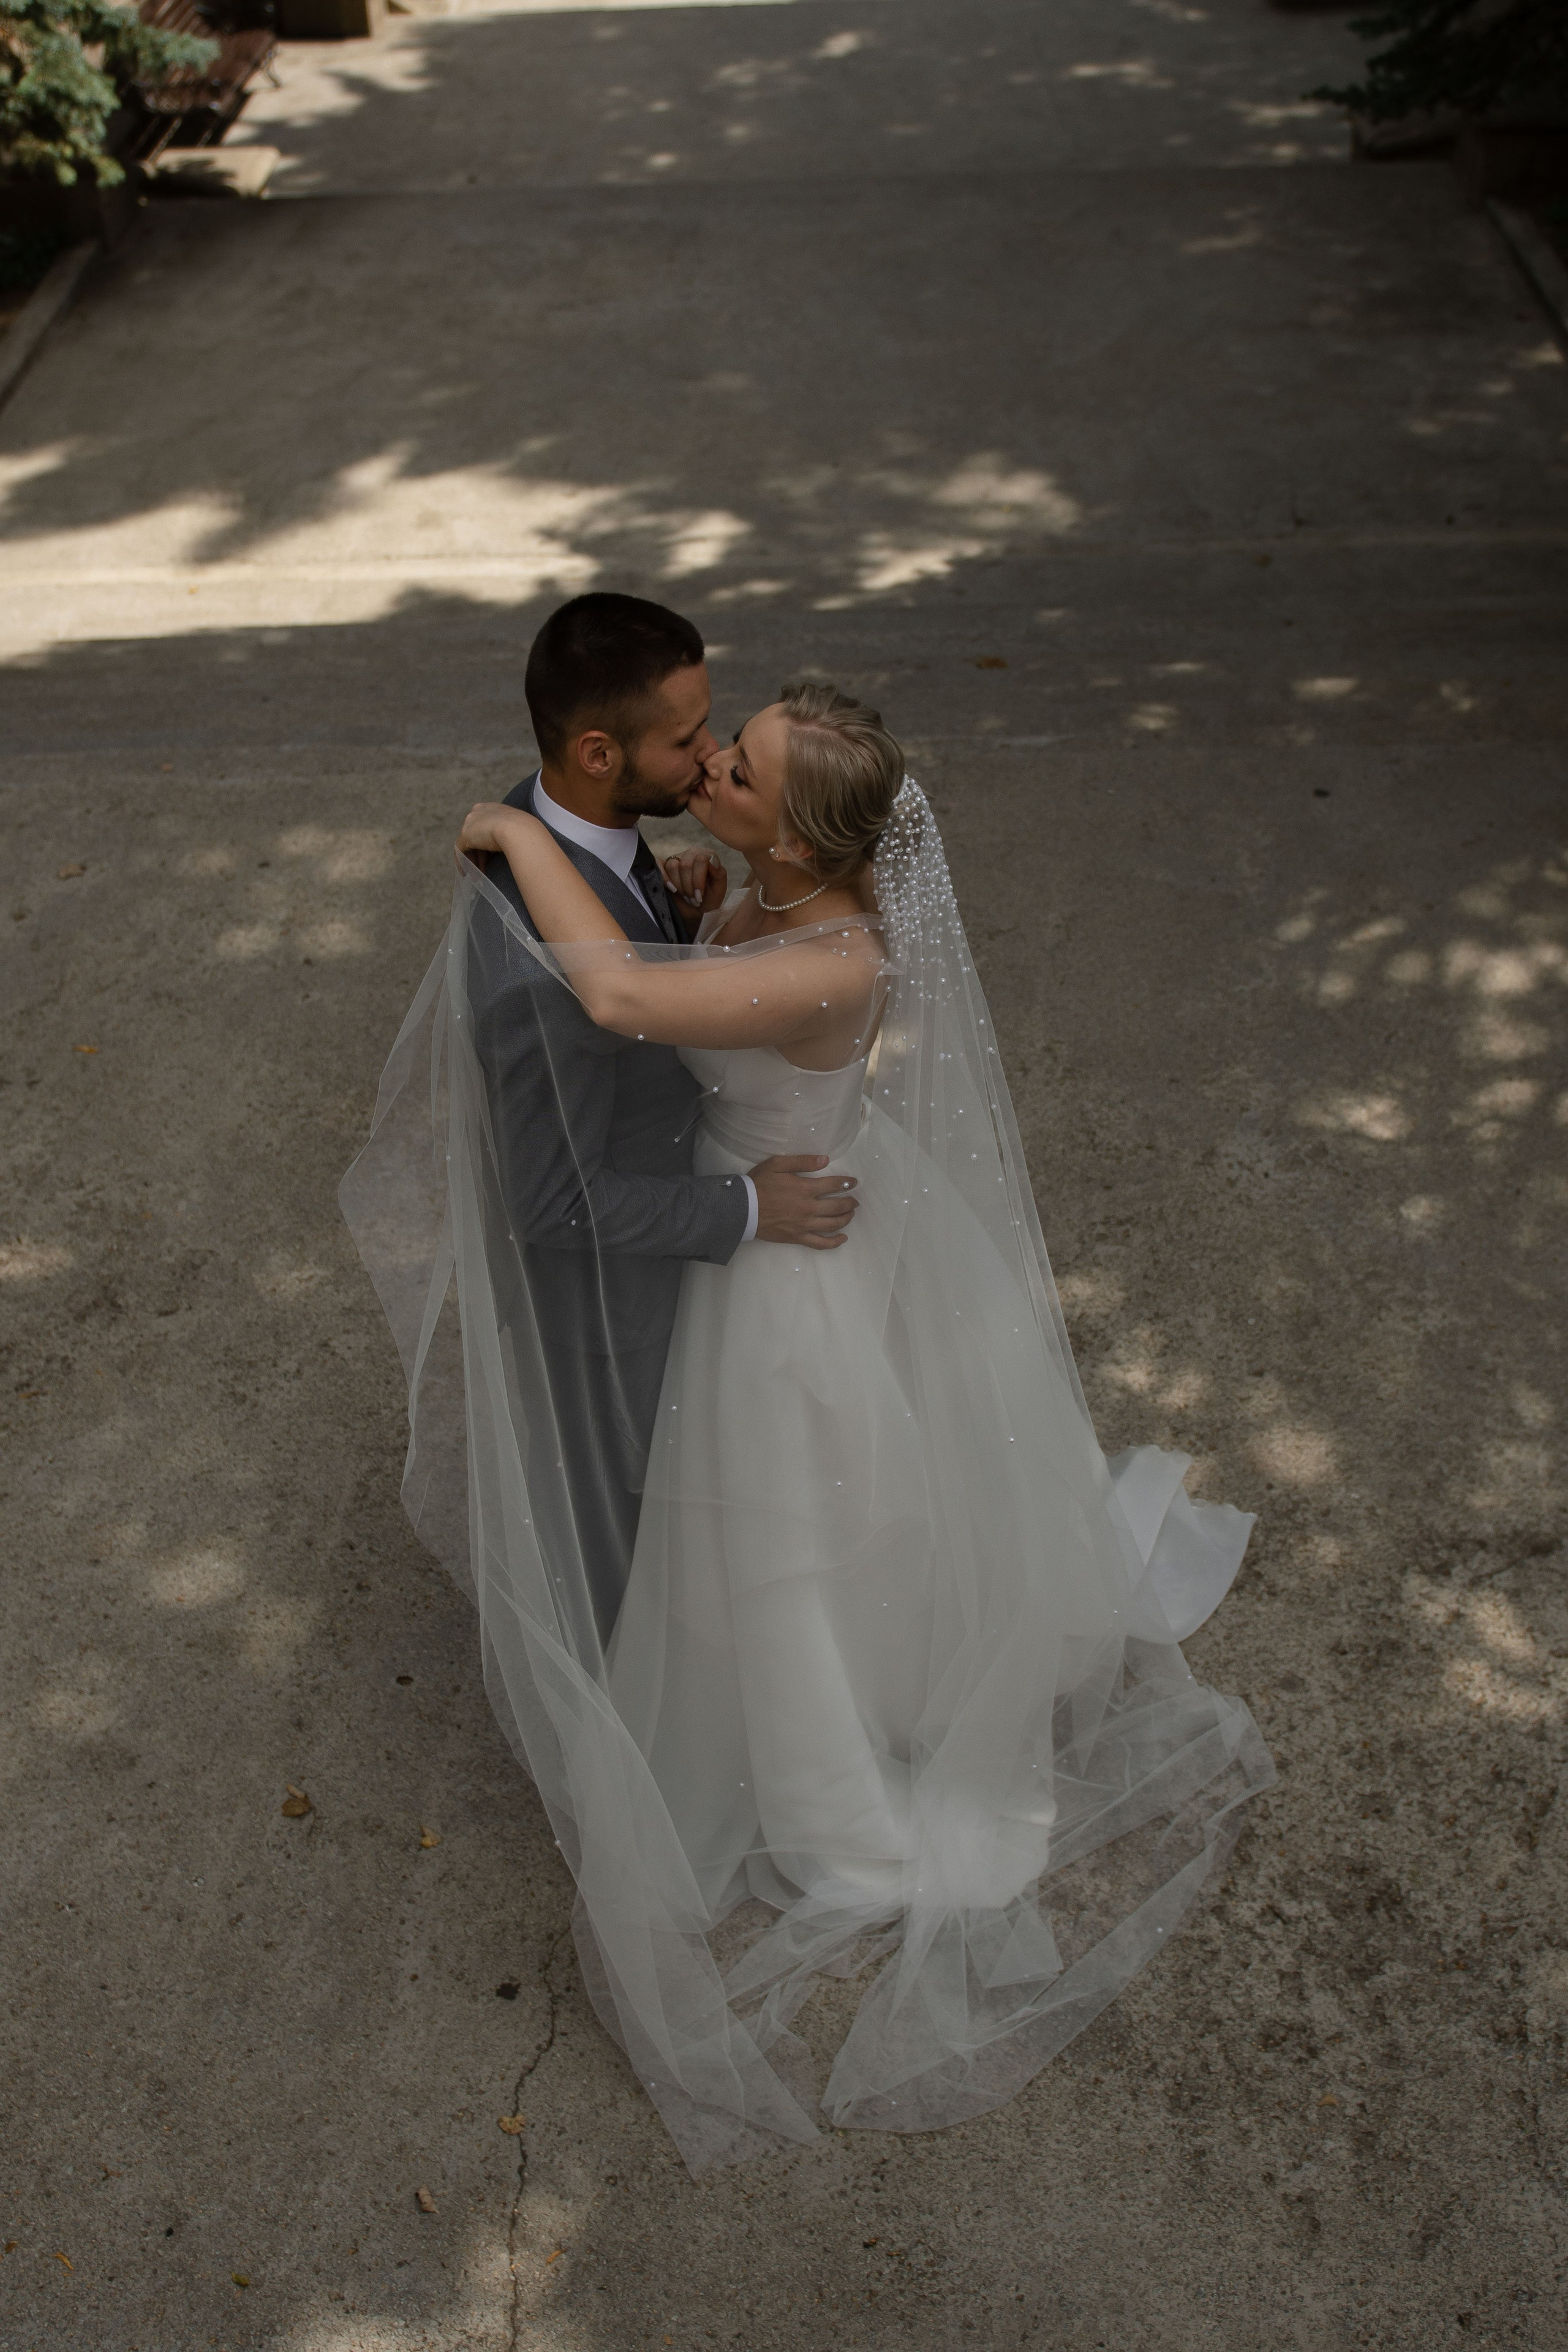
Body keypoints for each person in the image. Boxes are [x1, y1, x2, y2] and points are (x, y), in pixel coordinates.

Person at [372, 672, 1275, 2169]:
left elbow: (617, 999)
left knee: (777, 1534)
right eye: (723, 752)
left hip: (783, 1267)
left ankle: (832, 1808)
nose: (708, 771)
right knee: (785, 1530)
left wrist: (509, 833)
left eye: (737, 773)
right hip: (768, 1212)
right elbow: (692, 967)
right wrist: (697, 897)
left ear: (798, 842)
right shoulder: (771, 897)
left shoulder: (837, 962)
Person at [466, 594, 864, 1642]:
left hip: (727, 1250)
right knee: (636, 1561)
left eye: (722, 744)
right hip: (621, 1303)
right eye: (690, 740)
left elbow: (639, 995)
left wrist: (680, 928)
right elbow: (553, 1199)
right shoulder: (539, 967)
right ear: (598, 753)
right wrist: (740, 1208)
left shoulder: (591, 828)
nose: (707, 758)